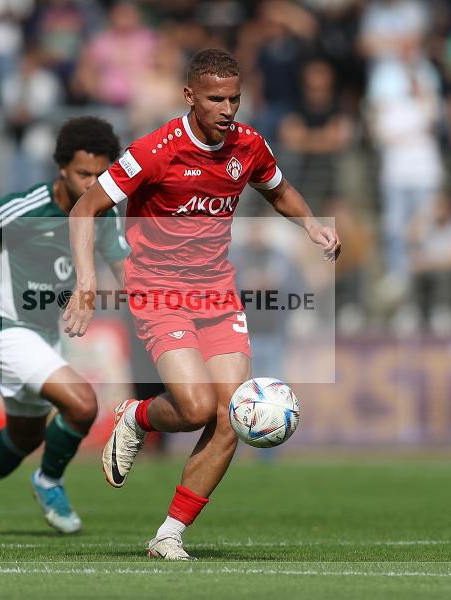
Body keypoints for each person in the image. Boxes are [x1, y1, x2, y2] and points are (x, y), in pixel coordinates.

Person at [64, 49, 340, 560]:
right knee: (193, 408)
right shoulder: (155, 150)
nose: (228, 108)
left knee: (232, 413)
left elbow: (277, 191)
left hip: (216, 292)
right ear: (190, 96)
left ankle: (169, 533)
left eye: (235, 97)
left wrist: (312, 224)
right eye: (216, 98)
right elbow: (86, 207)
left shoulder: (249, 145)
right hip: (158, 291)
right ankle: (138, 416)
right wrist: (86, 283)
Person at [0, 117, 128, 536]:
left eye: (101, 175)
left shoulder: (105, 214)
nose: (93, 184)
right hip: (0, 325)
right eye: (83, 174)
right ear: (61, 169)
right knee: (83, 404)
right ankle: (49, 481)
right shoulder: (26, 207)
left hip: (42, 333)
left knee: (26, 434)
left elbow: (127, 271)